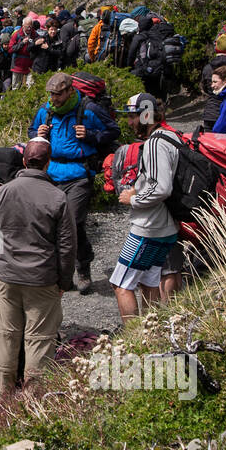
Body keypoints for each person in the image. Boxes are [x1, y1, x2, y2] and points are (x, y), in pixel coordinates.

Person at [0, 138, 75, 399]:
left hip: (8, 277)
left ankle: (0, 400)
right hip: (43, 279)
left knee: (5, 338)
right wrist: (63, 283)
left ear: (24, 161)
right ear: (48, 163)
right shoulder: (58, 197)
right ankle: (34, 403)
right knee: (40, 341)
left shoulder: (4, 192)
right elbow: (66, 247)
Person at [28, 72, 111, 294]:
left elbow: (113, 131)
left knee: (72, 223)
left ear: (69, 91)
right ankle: (58, 272)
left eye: (57, 94)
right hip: (52, 173)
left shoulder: (89, 110)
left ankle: (82, 266)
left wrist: (92, 135)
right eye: (51, 94)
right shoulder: (45, 112)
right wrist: (38, 133)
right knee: (50, 223)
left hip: (79, 174)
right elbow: (30, 133)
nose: (53, 99)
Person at [110, 94, 181, 321]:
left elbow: (161, 188)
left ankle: (133, 339)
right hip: (167, 225)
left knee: (120, 284)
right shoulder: (171, 136)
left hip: (149, 226)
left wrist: (133, 198)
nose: (130, 122)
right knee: (149, 281)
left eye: (133, 116)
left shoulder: (155, 143)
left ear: (146, 114)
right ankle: (151, 335)